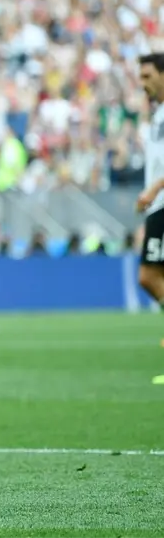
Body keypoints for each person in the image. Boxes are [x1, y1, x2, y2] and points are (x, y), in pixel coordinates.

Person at [135, 53, 164, 384]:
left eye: (147, 76)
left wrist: (154, 188)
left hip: (162, 202)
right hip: (157, 204)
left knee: (148, 276)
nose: (143, 84)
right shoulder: (157, 115)